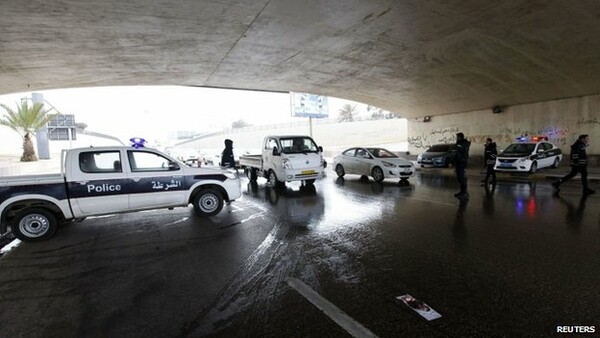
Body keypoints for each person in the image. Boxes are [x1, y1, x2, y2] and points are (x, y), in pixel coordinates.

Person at [454, 132, 471, 200]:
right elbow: (456, 152)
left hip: (462, 162)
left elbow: (462, 153)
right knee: (459, 177)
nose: (456, 138)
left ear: (460, 137)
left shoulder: (464, 143)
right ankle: (462, 192)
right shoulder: (458, 143)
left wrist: (459, 158)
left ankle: (465, 193)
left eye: (457, 137)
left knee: (461, 178)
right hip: (458, 162)